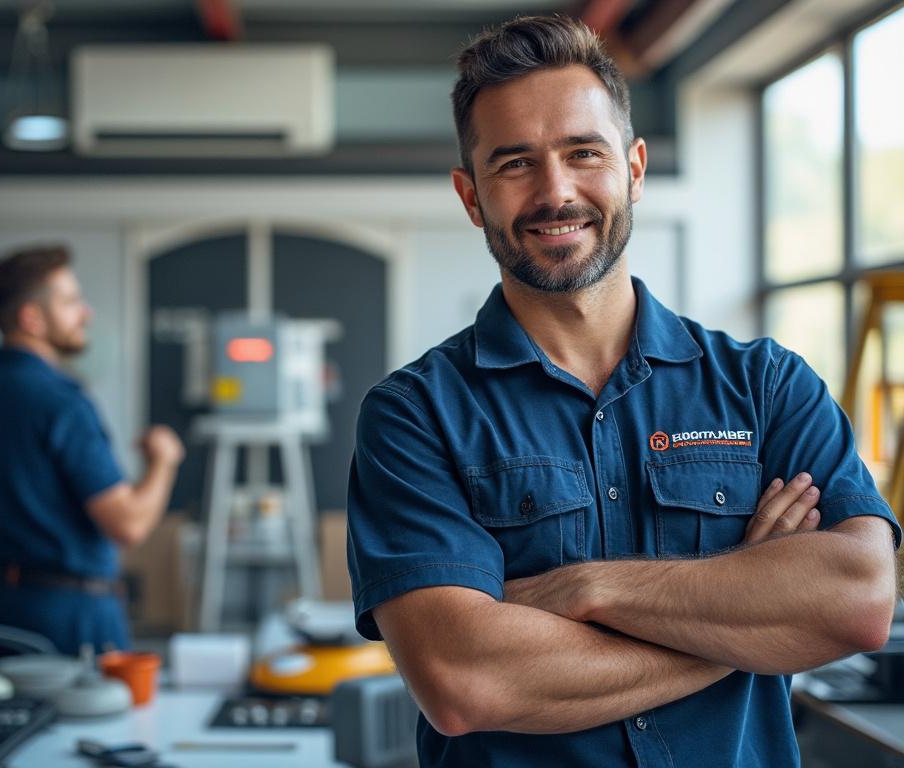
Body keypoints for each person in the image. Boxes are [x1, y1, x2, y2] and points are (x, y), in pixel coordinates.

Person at [346, 15, 900, 768]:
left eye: (584, 153)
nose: (556, 192)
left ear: (634, 168)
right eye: (514, 164)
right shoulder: (414, 417)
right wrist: (745, 622)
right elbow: (464, 680)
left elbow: (859, 601)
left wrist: (583, 589)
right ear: (471, 195)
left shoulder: (766, 386)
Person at [0, 245, 185, 655]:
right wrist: (164, 461)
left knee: (2, 720)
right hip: (75, 617)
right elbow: (128, 524)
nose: (86, 313)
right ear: (32, 318)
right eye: (71, 302)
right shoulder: (62, 402)